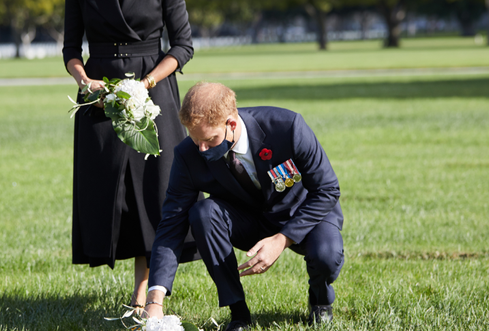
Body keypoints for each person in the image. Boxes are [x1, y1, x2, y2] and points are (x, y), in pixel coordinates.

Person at [63, 0, 199, 310]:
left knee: (151, 191)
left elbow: (182, 45)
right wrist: (83, 80)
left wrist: (148, 82)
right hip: (100, 91)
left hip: (152, 88)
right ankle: (122, 266)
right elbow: (72, 48)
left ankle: (145, 289)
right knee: (110, 190)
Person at [143, 82, 345, 330]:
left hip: (302, 213)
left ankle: (320, 301)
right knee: (202, 213)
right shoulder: (188, 154)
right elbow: (171, 223)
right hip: (248, 220)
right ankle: (238, 314)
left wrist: (282, 239)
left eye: (209, 140)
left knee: (326, 255)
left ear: (232, 124)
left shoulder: (287, 127)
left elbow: (327, 190)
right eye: (195, 140)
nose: (201, 148)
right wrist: (154, 298)